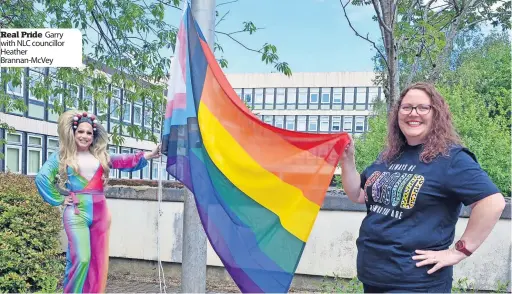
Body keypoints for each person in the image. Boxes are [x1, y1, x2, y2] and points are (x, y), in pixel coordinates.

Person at [340, 82, 506, 293]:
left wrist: (458, 251)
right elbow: (359, 194)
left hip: (416, 282)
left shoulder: (451, 158)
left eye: (422, 107)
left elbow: (492, 203)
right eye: (406, 107)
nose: (413, 113)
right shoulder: (389, 156)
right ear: (397, 113)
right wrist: (348, 159)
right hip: (373, 275)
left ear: (436, 114)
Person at [35, 110, 161, 293]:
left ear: (93, 136)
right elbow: (42, 178)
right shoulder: (62, 156)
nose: (85, 136)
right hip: (76, 213)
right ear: (73, 132)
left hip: (101, 214)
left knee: (98, 263)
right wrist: (60, 199)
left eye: (89, 133)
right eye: (81, 131)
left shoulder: (100, 157)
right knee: (82, 258)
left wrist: (149, 155)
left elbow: (123, 160)